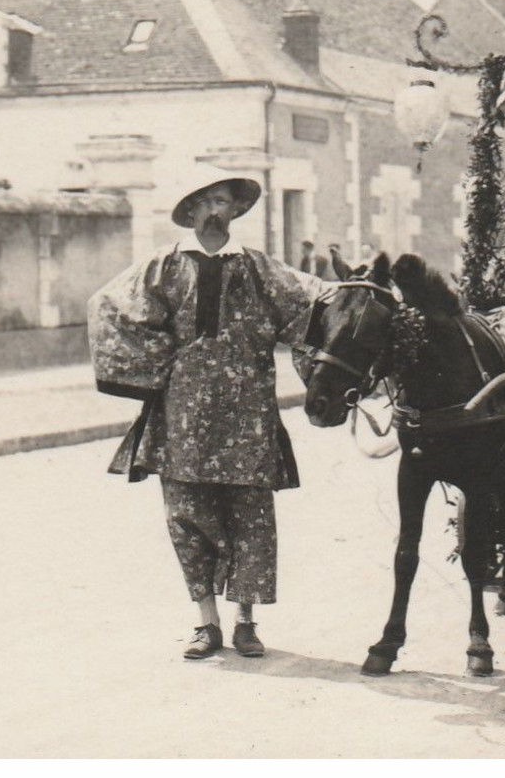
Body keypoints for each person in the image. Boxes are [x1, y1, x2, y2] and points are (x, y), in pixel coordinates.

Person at [89, 168, 327, 661]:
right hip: (183, 418)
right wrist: (163, 364)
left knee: (251, 516)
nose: (217, 211)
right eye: (207, 202)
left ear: (236, 211)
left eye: (225, 202)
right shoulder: (163, 267)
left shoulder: (262, 270)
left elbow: (315, 305)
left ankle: (245, 623)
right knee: (187, 515)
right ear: (192, 211)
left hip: (248, 415)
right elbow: (108, 306)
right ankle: (206, 623)